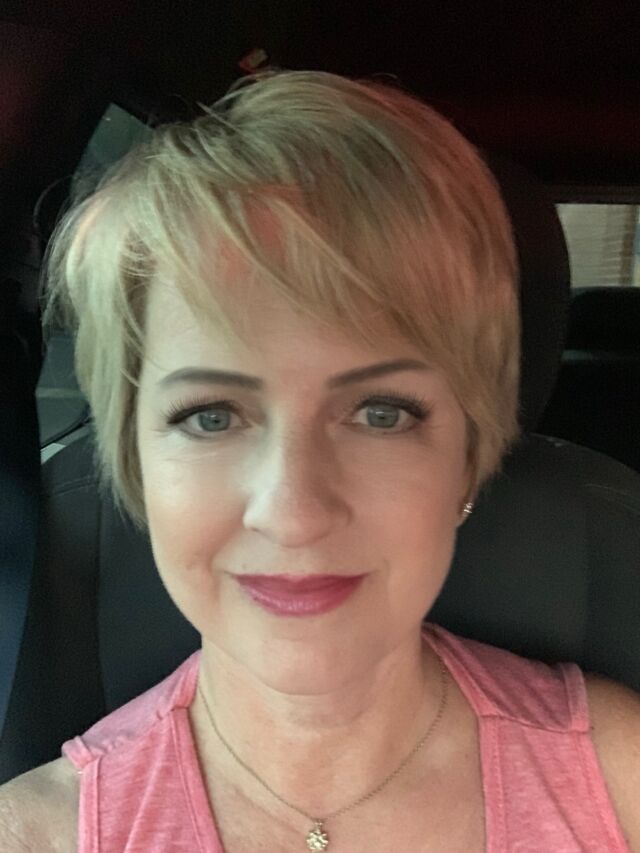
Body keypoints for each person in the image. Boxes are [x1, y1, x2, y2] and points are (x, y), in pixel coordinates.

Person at [1, 69, 639, 852]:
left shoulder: (623, 779)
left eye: (381, 413)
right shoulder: (33, 835)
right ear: (135, 464)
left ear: (468, 456)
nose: (294, 512)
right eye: (211, 415)